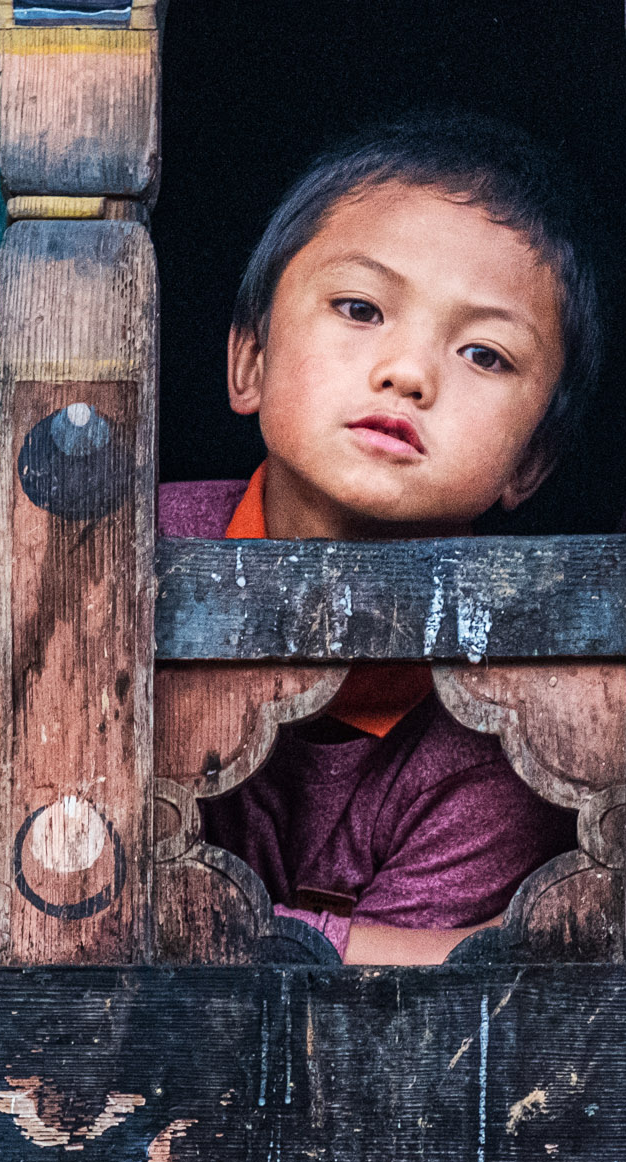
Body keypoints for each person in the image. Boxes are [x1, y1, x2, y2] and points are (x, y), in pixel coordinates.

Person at [158, 114, 597, 964]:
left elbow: (392, 1014)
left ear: (531, 464)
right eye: (360, 308)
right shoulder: (137, 553)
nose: (408, 372)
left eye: (484, 353)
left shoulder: (507, 733)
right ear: (249, 359)